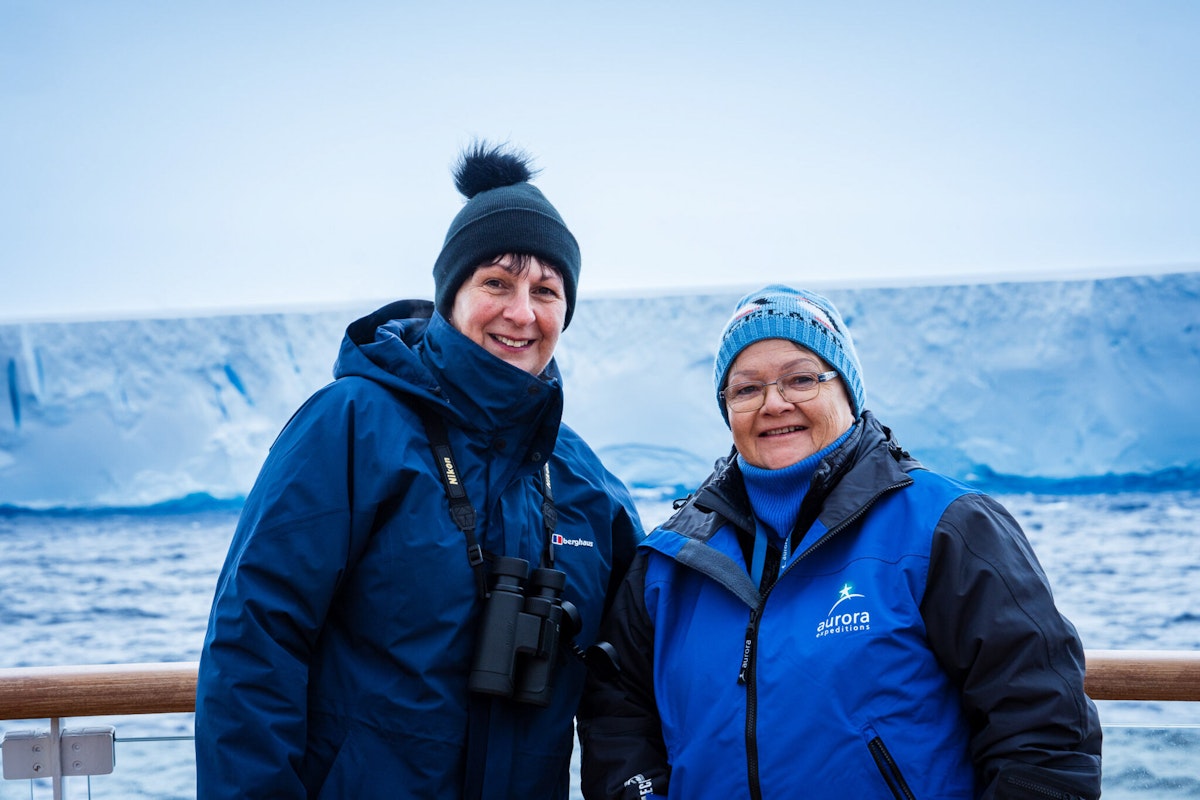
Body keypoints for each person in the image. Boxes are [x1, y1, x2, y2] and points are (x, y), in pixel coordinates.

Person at [195, 142, 643, 799]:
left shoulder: (581, 480)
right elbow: (254, 641)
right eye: (496, 283)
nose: (522, 313)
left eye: (546, 291)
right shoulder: (352, 425)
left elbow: (634, 675)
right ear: (451, 295)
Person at [578, 285, 1102, 799]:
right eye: (746, 388)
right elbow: (619, 716)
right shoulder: (672, 559)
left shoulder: (946, 526)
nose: (774, 403)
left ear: (846, 390)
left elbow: (1042, 733)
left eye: (801, 379)